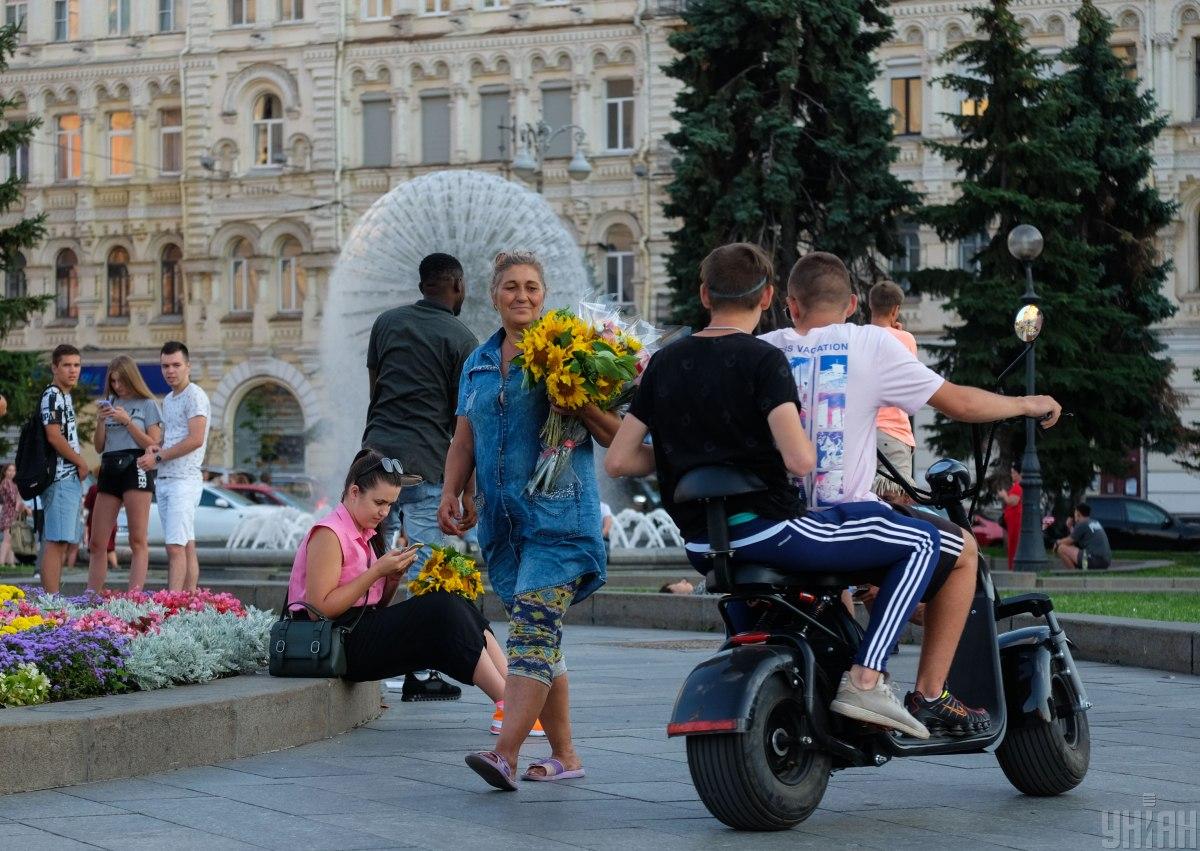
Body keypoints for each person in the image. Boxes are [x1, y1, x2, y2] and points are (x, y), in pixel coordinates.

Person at [757, 250, 1062, 734]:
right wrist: (1027, 403)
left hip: (779, 522)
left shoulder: (764, 347)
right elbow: (959, 403)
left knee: (879, 561)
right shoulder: (870, 343)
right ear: (853, 304)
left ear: (790, 305)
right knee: (963, 552)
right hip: (844, 522)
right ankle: (930, 694)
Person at [442, 250, 614, 790]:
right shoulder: (478, 363)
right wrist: (452, 491)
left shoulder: (572, 351)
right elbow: (465, 438)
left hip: (560, 520)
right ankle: (565, 754)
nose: (522, 295)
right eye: (511, 286)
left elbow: (614, 432)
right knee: (543, 640)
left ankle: (505, 755)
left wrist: (574, 398)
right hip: (504, 526)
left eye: (532, 287)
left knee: (532, 632)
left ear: (544, 295)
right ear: (493, 295)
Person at [285, 448, 508, 700]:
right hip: (335, 642)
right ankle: (508, 706)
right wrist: (376, 571)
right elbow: (319, 610)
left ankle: (512, 695)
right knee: (442, 607)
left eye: (390, 504)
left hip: (356, 631)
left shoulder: (365, 533)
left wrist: (392, 579)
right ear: (354, 492)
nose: (384, 512)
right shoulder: (329, 533)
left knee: (456, 600)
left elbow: (375, 605)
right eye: (379, 502)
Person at [364, 252, 478, 702]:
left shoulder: (386, 323)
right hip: (427, 465)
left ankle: (355, 652)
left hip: (374, 462)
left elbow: (376, 393)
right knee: (429, 569)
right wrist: (467, 492)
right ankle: (422, 672)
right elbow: (464, 423)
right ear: (458, 286)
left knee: (366, 561)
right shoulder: (462, 339)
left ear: (422, 285)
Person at [138, 341, 210, 591]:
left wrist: (159, 458)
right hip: (167, 479)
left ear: (188, 366)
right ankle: (188, 601)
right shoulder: (169, 399)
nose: (170, 371)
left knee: (175, 546)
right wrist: (156, 449)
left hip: (184, 480)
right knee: (186, 545)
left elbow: (196, 439)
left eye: (176, 365)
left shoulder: (195, 395)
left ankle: (173, 603)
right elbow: (172, 438)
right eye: (165, 366)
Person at [88, 355, 163, 591]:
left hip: (135, 466)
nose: (117, 386)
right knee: (97, 541)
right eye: (113, 381)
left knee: (137, 539)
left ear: (132, 378)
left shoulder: (148, 404)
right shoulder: (110, 402)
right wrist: (101, 421)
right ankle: (91, 596)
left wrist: (128, 421)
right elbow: (98, 446)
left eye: (121, 380)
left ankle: (134, 599)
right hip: (109, 466)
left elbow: (153, 444)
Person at [39, 344, 88, 594]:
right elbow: (54, 436)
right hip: (59, 477)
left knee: (61, 541)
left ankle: (54, 599)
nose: (73, 370)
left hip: (68, 478)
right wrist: (80, 461)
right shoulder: (53, 395)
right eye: (67, 365)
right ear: (54, 368)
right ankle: (51, 602)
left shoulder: (64, 396)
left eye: (76, 365)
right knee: (56, 541)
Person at [868, 280, 919, 489]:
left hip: (862, 433)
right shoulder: (906, 339)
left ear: (870, 305)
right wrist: (901, 333)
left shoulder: (858, 337)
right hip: (893, 433)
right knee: (896, 499)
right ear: (895, 310)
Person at [1054, 502, 1112, 571]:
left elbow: (1069, 541)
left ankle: (1075, 574)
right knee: (1070, 547)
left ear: (1078, 514)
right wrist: (1070, 527)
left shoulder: (1082, 524)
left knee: (1061, 548)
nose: (1074, 516)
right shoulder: (1094, 522)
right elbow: (1075, 539)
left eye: (1075, 513)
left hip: (1094, 560)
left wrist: (1057, 542)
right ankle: (1077, 572)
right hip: (1105, 562)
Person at [1, 462, 29, 566]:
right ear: (5, 472)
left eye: (13, 470)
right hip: (8, 514)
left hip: (13, 513)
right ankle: (1, 562)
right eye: (9, 470)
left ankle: (11, 563)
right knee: (7, 539)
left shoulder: (13, 484)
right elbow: (14, 499)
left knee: (11, 540)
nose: (12, 472)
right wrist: (21, 503)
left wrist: (21, 504)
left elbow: (18, 500)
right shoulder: (6, 482)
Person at [998, 465, 1022, 571]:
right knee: (1012, 543)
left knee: (1013, 543)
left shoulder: (1018, 486)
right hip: (1012, 519)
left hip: (1015, 520)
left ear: (1019, 474)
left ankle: (1013, 567)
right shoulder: (1016, 486)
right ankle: (1012, 566)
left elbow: (1012, 502)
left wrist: (1004, 495)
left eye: (1013, 472)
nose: (1012, 475)